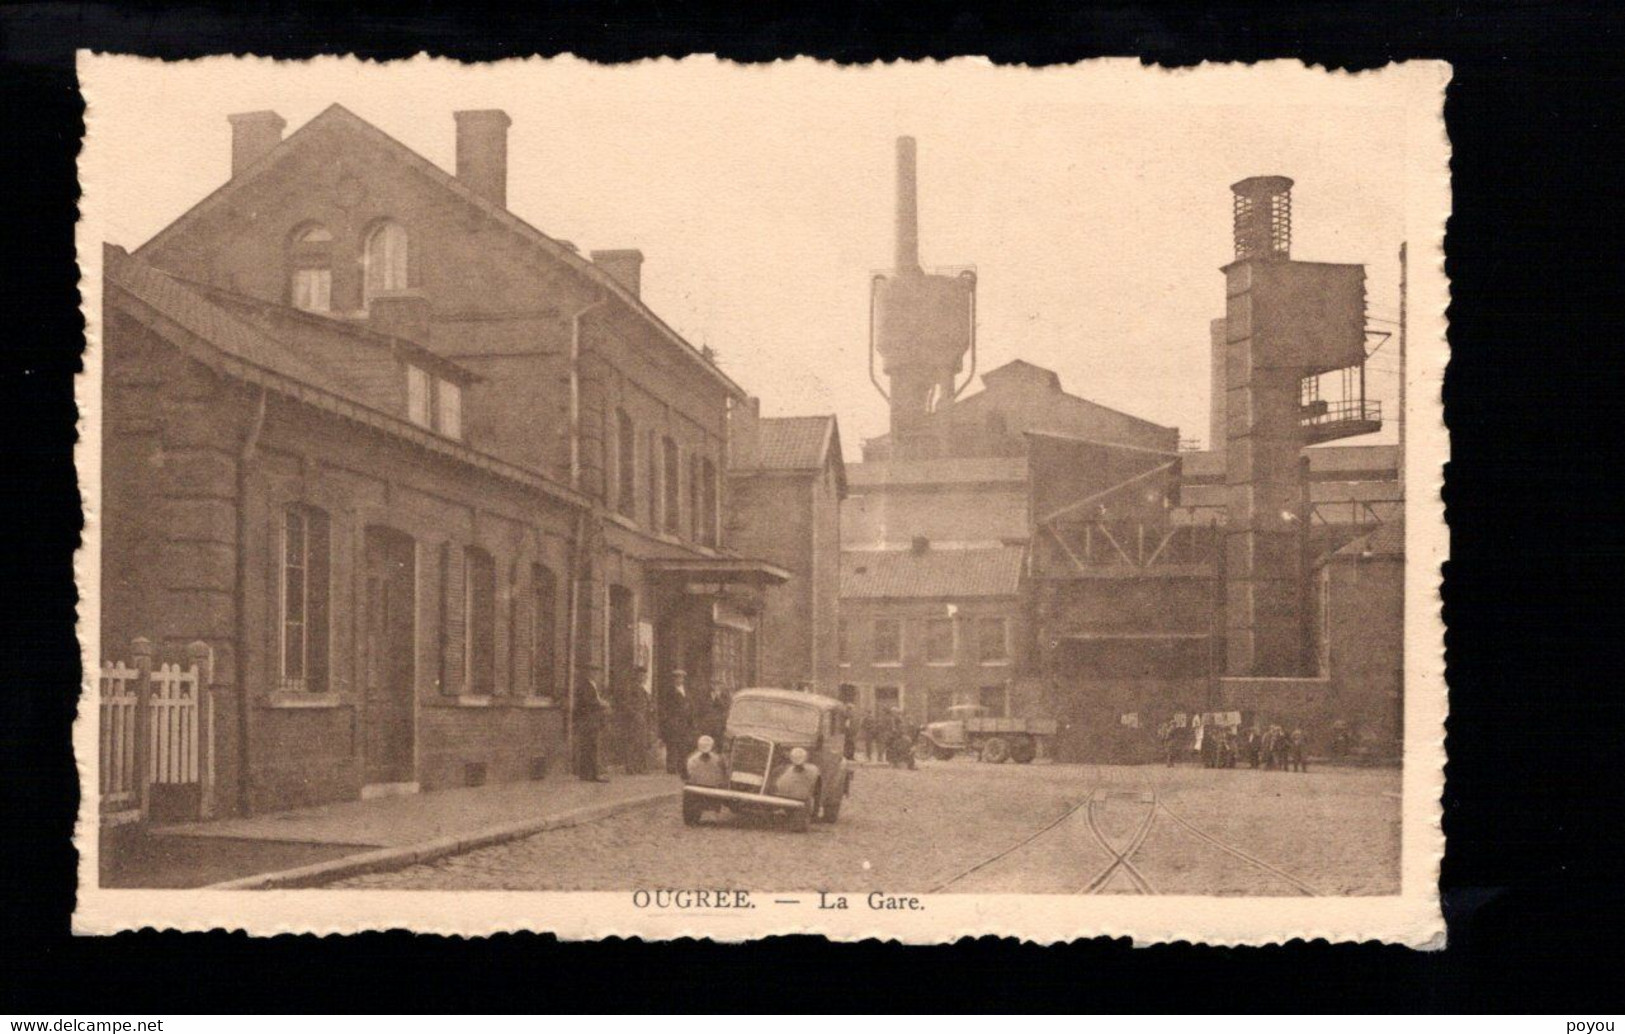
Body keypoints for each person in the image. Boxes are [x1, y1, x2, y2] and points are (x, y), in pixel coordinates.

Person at [573, 674, 610, 783]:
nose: (596, 674)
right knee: (590, 746)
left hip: (591, 720)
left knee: (591, 746)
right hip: (588, 720)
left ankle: (589, 774)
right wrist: (601, 704)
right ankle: (590, 775)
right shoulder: (585, 686)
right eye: (593, 671)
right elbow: (587, 702)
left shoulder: (592, 685)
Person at [659, 670, 692, 775]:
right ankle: (671, 768)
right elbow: (665, 707)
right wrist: (668, 720)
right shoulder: (669, 691)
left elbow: (690, 704)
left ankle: (682, 766)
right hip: (673, 721)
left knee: (683, 745)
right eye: (677, 678)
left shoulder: (686, 690)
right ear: (674, 679)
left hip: (684, 721)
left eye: (681, 678)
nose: (680, 680)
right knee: (672, 745)